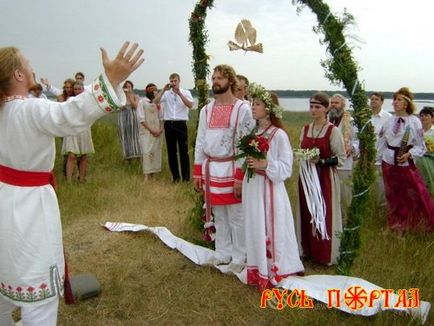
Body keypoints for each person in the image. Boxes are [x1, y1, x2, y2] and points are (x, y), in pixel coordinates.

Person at [0, 42, 144, 326]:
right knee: (38, 288)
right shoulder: (29, 110)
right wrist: (111, 80)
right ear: (17, 75)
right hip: (29, 206)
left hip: (4, 198)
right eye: (27, 62)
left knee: (5, 270)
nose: (32, 66)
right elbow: (69, 116)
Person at [193, 64, 255, 273]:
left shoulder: (242, 108)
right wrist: (197, 171)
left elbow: (244, 145)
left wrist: (239, 176)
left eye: (220, 78)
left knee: (237, 215)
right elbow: (201, 140)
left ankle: (240, 256)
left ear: (230, 81)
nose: (215, 82)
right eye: (214, 78)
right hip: (212, 168)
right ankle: (222, 253)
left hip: (232, 167)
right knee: (219, 213)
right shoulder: (206, 109)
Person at [242, 84, 304, 290]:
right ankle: (257, 265)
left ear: (268, 109)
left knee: (271, 225)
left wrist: (265, 164)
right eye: (252, 103)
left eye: (257, 104)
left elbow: (286, 168)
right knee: (255, 224)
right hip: (253, 187)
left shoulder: (279, 135)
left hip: (269, 189)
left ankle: (275, 267)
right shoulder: (254, 131)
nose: (252, 107)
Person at [297, 92, 346, 266]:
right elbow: (301, 149)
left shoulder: (333, 131)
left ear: (326, 109)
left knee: (324, 213)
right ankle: (307, 250)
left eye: (317, 107)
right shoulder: (305, 129)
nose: (313, 110)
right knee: (307, 212)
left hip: (324, 178)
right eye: (311, 106)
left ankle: (324, 254)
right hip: (306, 177)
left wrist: (322, 161)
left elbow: (341, 157)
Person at [377, 87, 434, 232]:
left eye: (399, 99)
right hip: (389, 162)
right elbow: (382, 141)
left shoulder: (414, 121)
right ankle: (395, 224)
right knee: (392, 194)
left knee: (411, 194)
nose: (395, 102)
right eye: (394, 99)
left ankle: (414, 224)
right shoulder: (389, 121)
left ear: (406, 103)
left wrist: (409, 154)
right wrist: (379, 157)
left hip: (405, 162)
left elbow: (420, 145)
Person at [153, 73, 193, 182]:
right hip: (169, 124)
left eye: (175, 81)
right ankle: (175, 177)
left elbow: (190, 105)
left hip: (181, 124)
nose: (173, 83)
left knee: (183, 152)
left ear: (179, 81)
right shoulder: (166, 94)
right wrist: (162, 90)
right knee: (171, 152)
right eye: (171, 81)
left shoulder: (186, 92)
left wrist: (179, 94)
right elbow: (155, 101)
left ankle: (186, 178)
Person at [329, 94, 359, 221]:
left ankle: (346, 220)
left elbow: (357, 140)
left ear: (343, 105)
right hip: (328, 163)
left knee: (344, 194)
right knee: (331, 195)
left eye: (337, 103)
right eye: (332, 102)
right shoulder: (327, 119)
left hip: (344, 164)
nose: (334, 105)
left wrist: (351, 148)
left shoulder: (350, 121)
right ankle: (334, 220)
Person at [61, 81, 95, 183]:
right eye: (75, 89)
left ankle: (81, 178)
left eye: (78, 89)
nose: (76, 91)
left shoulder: (88, 101)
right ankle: (69, 181)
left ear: (83, 90)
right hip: (72, 129)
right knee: (72, 155)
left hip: (84, 129)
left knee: (84, 154)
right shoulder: (70, 99)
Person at [137, 83, 163, 181]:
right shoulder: (142, 102)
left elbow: (161, 117)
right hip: (147, 131)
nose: (156, 92)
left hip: (157, 130)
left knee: (155, 151)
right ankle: (146, 175)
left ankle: (154, 174)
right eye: (154, 91)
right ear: (149, 92)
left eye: (157, 91)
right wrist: (151, 130)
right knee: (147, 152)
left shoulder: (158, 103)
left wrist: (161, 129)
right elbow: (141, 119)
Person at [370, 92, 392, 207]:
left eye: (376, 99)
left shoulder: (388, 118)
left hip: (380, 159)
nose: (373, 101)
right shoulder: (365, 117)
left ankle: (381, 212)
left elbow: (390, 140)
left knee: (381, 188)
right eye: (372, 99)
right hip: (364, 159)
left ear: (382, 102)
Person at [118, 80, 142, 160]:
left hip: (133, 117)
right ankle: (127, 156)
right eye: (126, 87)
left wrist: (129, 96)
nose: (128, 88)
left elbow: (135, 106)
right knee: (124, 135)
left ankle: (137, 154)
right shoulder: (121, 97)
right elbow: (119, 108)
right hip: (123, 117)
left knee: (135, 135)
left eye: (129, 87)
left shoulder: (136, 96)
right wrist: (123, 97)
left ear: (132, 88)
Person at [415, 106, 434, 196]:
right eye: (421, 116)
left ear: (432, 118)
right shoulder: (417, 131)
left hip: (431, 163)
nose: (424, 117)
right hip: (418, 163)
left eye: (426, 115)